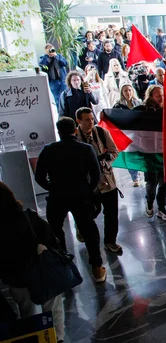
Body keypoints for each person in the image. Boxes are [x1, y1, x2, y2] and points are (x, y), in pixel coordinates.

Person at [34, 117, 106, 283]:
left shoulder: (48, 149)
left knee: (56, 231)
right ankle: (97, 268)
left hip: (57, 195)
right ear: (75, 130)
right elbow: (96, 174)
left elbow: (39, 176)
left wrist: (51, 187)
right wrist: (88, 189)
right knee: (89, 231)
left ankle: (64, 266)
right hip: (80, 194)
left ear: (58, 132)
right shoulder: (86, 149)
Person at [0, 182, 66, 342]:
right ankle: (57, 338)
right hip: (43, 272)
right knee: (52, 308)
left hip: (16, 279)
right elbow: (52, 240)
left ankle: (34, 337)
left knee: (27, 312)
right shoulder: (28, 217)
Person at [75, 108, 123, 254]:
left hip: (107, 180)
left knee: (112, 214)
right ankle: (82, 230)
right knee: (91, 212)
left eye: (92, 119)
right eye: (86, 119)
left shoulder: (102, 132)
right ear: (78, 121)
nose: (91, 122)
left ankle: (110, 241)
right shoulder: (74, 137)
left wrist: (105, 161)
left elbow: (114, 151)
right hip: (88, 184)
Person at [139, 85, 166, 221]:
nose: (161, 98)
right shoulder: (143, 110)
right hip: (150, 154)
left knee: (164, 182)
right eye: (158, 95)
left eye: (162, 95)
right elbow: (126, 117)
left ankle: (162, 209)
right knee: (152, 183)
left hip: (164, 152)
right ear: (151, 96)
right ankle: (149, 203)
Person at [113, 84, 143, 187]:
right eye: (125, 91)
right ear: (122, 92)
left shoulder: (138, 103)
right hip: (126, 135)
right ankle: (135, 177)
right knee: (131, 156)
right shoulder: (118, 105)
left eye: (130, 90)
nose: (128, 92)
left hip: (139, 134)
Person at [39, 44, 68, 109]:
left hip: (62, 80)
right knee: (57, 98)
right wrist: (46, 55)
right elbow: (43, 66)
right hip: (53, 81)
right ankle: (60, 113)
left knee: (65, 97)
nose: (51, 51)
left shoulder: (59, 56)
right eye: (49, 50)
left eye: (52, 49)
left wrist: (56, 56)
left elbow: (65, 63)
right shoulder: (44, 58)